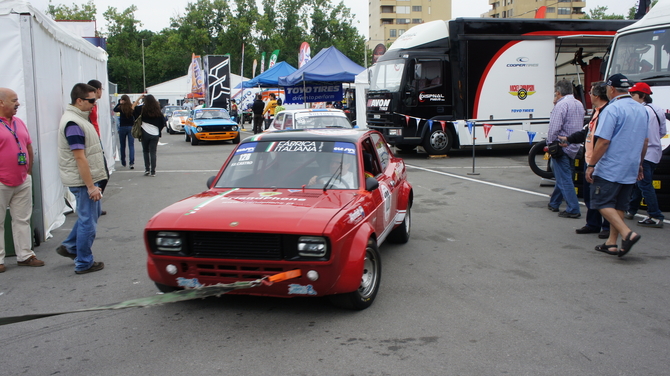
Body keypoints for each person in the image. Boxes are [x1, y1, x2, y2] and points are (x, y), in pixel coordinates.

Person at [586, 74, 648, 257]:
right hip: (631, 164)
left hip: (611, 166)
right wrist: (640, 163)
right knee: (619, 204)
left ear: (611, 89)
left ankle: (627, 233)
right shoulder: (640, 109)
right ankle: (611, 242)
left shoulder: (612, 109)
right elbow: (645, 141)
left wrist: (591, 164)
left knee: (600, 201)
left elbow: (603, 141)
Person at [56, 83, 106, 274]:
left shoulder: (78, 119)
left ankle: (71, 246)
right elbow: (79, 157)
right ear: (79, 100)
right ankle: (83, 261)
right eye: (91, 100)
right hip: (82, 180)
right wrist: (91, 186)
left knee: (91, 215)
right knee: (88, 221)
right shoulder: (74, 123)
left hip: (84, 179)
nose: (94, 103)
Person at [0, 88, 45, 272]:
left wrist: (27, 172)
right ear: (1, 103)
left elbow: (27, 146)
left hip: (22, 179)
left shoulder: (18, 122)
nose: (18, 104)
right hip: (2, 181)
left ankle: (25, 255)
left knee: (22, 219)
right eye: (14, 100)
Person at [559, 81, 611, 238]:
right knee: (589, 195)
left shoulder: (607, 112)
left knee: (602, 195)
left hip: (600, 161)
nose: (589, 95)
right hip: (589, 159)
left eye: (590, 92)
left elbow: (604, 140)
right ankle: (593, 224)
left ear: (596, 95)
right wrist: (568, 139)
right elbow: (586, 132)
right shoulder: (596, 112)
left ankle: (607, 227)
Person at [625, 82, 666, 228]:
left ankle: (655, 215)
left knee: (644, 184)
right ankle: (631, 210)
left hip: (644, 153)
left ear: (642, 96)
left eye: (633, 94)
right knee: (639, 183)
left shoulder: (642, 111)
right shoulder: (658, 110)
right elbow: (663, 132)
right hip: (655, 152)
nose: (631, 97)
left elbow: (639, 135)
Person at [547, 80, 585, 218]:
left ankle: (573, 208)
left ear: (558, 92)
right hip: (574, 146)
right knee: (564, 175)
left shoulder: (561, 105)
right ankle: (554, 202)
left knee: (564, 179)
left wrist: (550, 143)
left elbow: (554, 128)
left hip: (561, 145)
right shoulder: (579, 104)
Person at [133, 95, 165, 177]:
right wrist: (158, 130)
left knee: (145, 151)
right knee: (153, 152)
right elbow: (163, 122)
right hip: (155, 133)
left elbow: (133, 108)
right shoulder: (158, 111)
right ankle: (153, 171)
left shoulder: (142, 109)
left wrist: (138, 99)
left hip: (145, 132)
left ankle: (147, 169)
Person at [114, 94, 135, 169]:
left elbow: (114, 109)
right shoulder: (131, 107)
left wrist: (119, 103)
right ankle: (131, 162)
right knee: (131, 145)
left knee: (122, 145)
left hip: (122, 127)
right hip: (131, 127)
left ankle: (123, 161)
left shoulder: (121, 107)